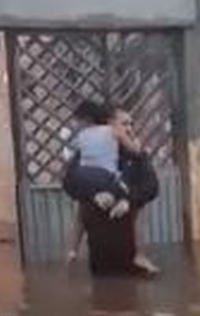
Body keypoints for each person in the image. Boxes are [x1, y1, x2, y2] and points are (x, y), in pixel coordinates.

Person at [66, 106, 159, 277]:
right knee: (102, 296)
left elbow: (152, 187)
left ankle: (140, 257)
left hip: (131, 256)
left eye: (131, 124)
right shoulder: (87, 155)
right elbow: (69, 182)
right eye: (124, 124)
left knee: (132, 296)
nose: (129, 128)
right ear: (110, 125)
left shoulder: (137, 158)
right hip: (99, 257)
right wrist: (92, 194)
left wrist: (128, 200)